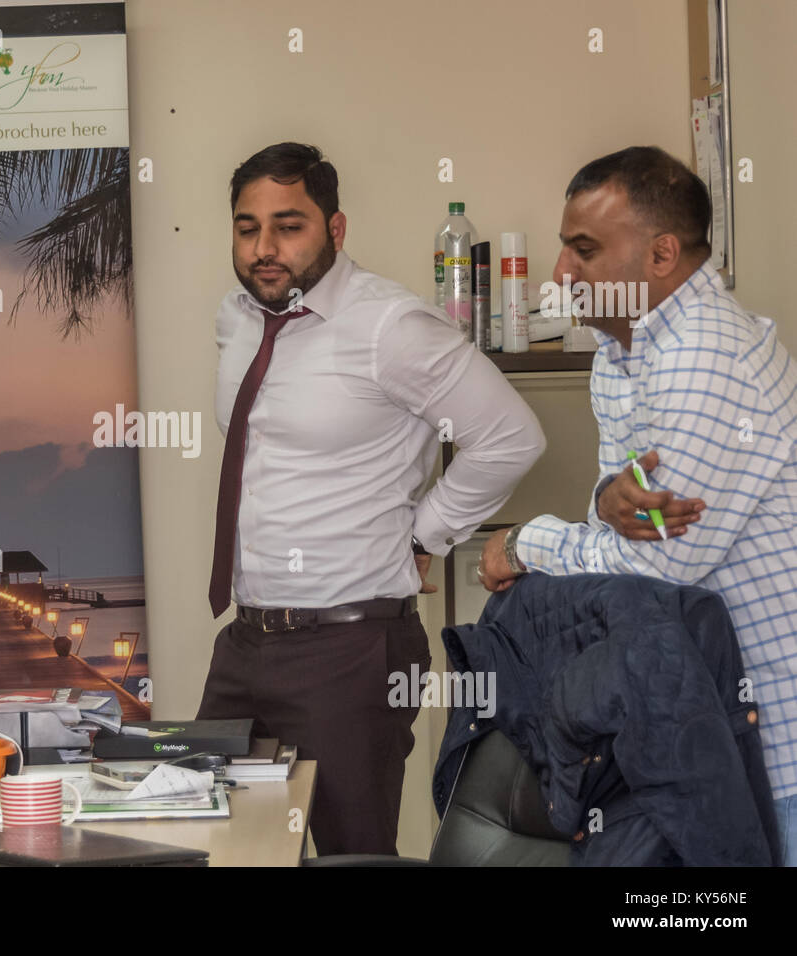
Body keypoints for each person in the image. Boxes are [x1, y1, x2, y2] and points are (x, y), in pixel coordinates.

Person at [200, 142, 546, 856]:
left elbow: (511, 436)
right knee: (221, 846)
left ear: (336, 227)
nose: (265, 247)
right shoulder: (236, 319)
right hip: (244, 642)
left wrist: (423, 538)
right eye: (247, 227)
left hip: (351, 648)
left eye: (288, 225)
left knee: (352, 857)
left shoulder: (391, 326)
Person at [477, 145, 797, 866]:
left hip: (784, 745)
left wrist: (528, 541)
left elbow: (662, 571)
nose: (561, 274)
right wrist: (599, 499)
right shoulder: (621, 352)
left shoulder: (701, 358)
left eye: (584, 249)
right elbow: (619, 524)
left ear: (660, 254)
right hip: (719, 728)